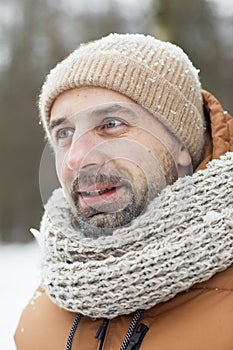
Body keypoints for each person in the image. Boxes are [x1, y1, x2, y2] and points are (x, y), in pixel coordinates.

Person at [15, 33, 233, 350]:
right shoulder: (45, 308)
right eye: (64, 132)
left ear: (182, 143)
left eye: (111, 123)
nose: (76, 158)